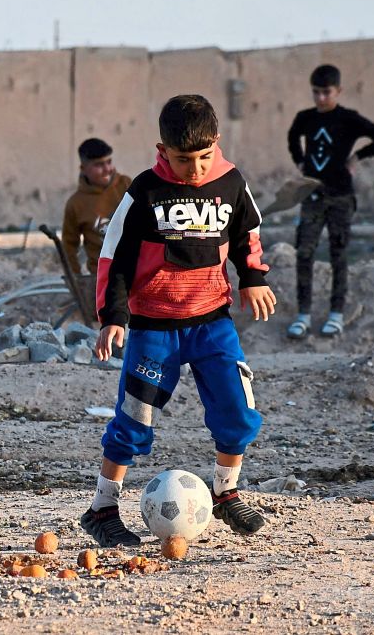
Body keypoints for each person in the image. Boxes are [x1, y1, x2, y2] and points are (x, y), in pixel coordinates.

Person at [80, 95, 277, 547]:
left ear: (217, 144)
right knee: (134, 419)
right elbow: (114, 258)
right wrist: (114, 316)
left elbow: (248, 233)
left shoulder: (230, 182)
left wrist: (253, 278)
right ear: (162, 149)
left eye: (204, 156)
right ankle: (102, 508)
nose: (195, 169)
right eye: (184, 159)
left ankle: (226, 493)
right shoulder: (145, 192)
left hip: (213, 323)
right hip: (154, 328)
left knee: (237, 410)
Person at [285, 64, 374, 339]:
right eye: (316, 92)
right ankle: (303, 315)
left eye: (326, 92)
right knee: (304, 252)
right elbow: (292, 136)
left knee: (338, 255)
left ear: (338, 91)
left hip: (341, 197)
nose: (321, 98)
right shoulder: (306, 118)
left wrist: (357, 157)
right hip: (311, 194)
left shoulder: (349, 119)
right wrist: (300, 161)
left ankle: (336, 314)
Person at [62, 138, 132, 276]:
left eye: (109, 162)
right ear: (83, 169)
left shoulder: (126, 185)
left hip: (136, 272)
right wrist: (76, 279)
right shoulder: (76, 204)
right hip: (103, 278)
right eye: (99, 165)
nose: (107, 169)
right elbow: (69, 247)